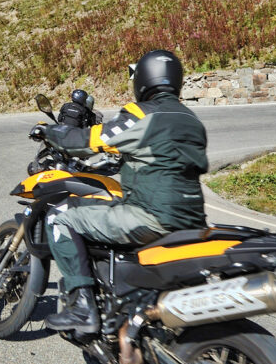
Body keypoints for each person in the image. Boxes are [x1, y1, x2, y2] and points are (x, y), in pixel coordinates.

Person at [33, 49, 209, 335]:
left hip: (148, 218)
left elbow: (88, 140)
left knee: (60, 217)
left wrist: (50, 132)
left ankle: (81, 307)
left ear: (142, 80)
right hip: (192, 222)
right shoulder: (191, 120)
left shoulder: (141, 114)